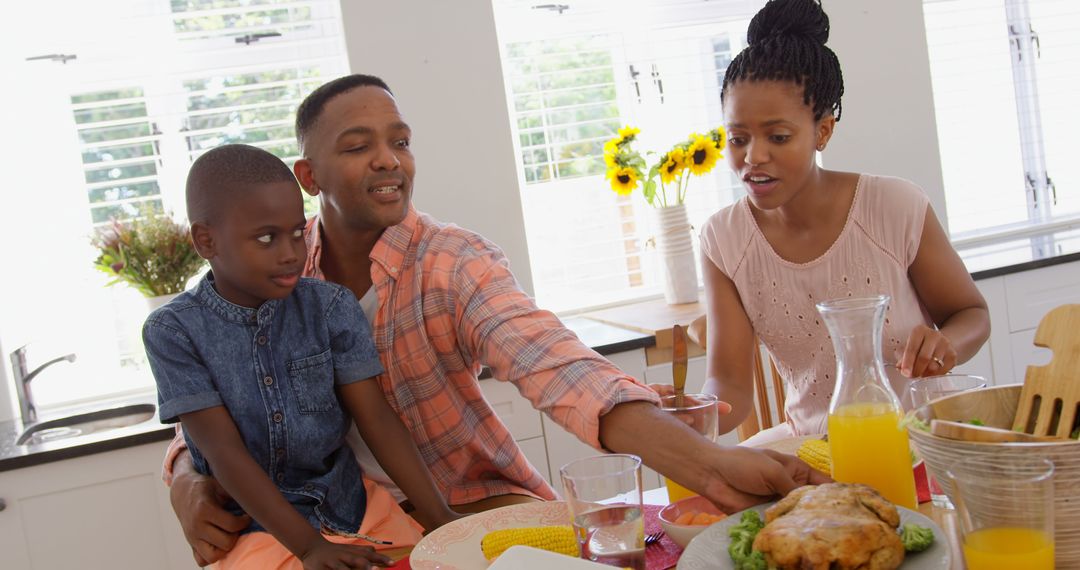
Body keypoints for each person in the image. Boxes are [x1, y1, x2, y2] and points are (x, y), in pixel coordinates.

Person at [165, 74, 829, 566]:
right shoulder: (274, 277)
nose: (389, 159)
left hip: (471, 510)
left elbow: (554, 364)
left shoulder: (453, 262)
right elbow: (219, 397)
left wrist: (711, 466)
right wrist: (188, 480)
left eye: (399, 141)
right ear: (309, 174)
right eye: (358, 145)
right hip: (343, 523)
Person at [144, 144, 458, 569]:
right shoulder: (173, 332)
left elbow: (377, 418)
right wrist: (309, 547)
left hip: (356, 508)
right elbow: (224, 454)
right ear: (206, 240)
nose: (291, 252)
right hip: (258, 528)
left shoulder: (330, 308)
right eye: (266, 238)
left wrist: (441, 518)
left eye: (295, 232)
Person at [700, 0, 991, 444]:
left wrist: (946, 344)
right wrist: (688, 416)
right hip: (813, 449)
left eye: (778, 137)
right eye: (737, 139)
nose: (753, 157)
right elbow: (731, 385)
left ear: (823, 132)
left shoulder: (894, 206)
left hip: (920, 439)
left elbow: (971, 315)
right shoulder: (723, 240)